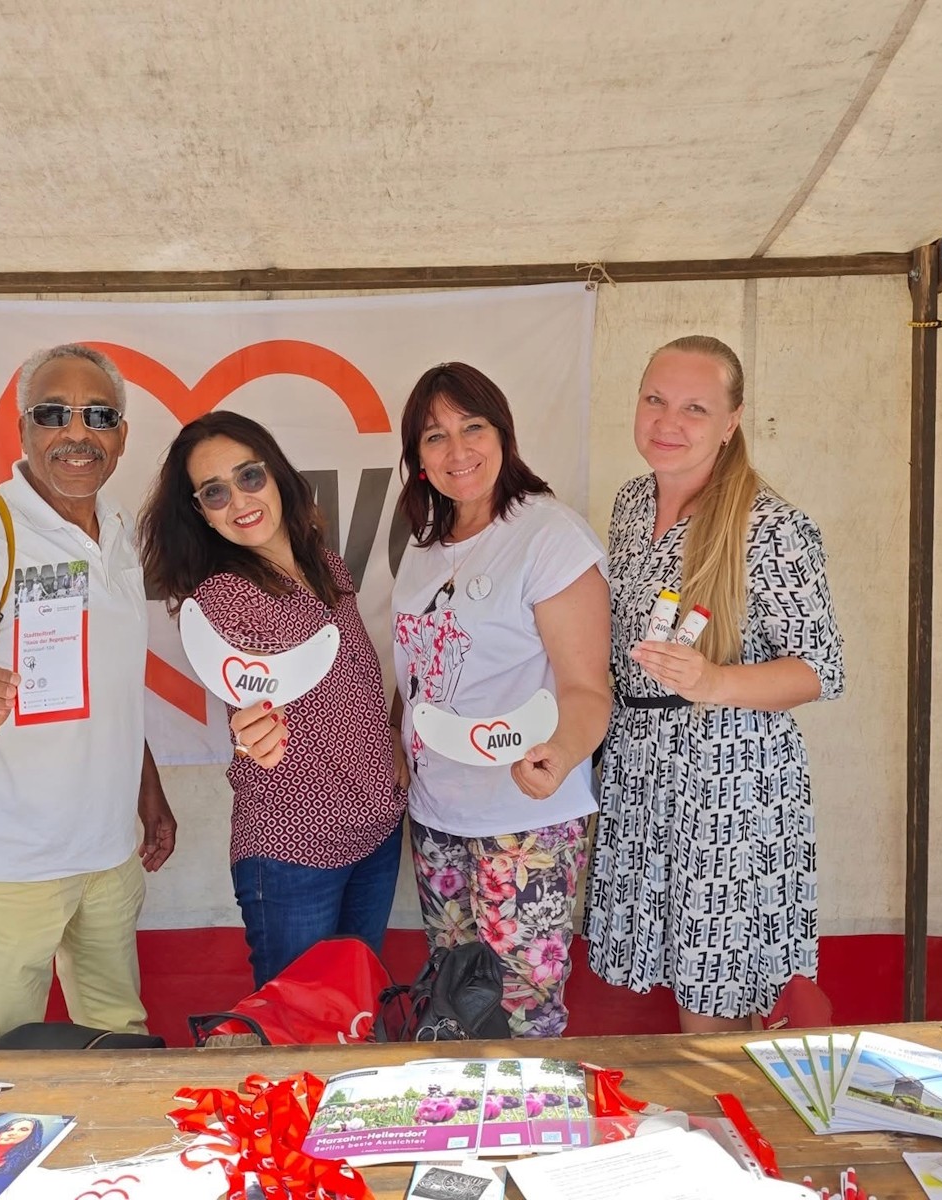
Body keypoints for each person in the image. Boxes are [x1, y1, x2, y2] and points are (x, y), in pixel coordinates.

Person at [0, 343, 176, 1038]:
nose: (77, 433)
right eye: (54, 414)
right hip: (10, 863)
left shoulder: (119, 528)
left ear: (122, 435)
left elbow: (114, 685)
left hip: (108, 852)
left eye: (99, 416)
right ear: (23, 429)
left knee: (119, 1037)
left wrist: (146, 790)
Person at [585, 335, 844, 1034]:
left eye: (694, 408)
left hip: (728, 782)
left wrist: (715, 680)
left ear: (732, 421)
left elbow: (821, 670)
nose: (668, 422)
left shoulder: (773, 527)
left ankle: (731, 1105)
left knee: (714, 1003)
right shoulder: (631, 503)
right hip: (642, 767)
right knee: (680, 981)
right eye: (655, 400)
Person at [140, 412, 405, 989]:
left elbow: (356, 683)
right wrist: (251, 734)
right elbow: (249, 699)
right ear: (201, 513)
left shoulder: (327, 566)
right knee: (296, 1022)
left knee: (358, 1005)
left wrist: (389, 742)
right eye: (214, 492)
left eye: (249, 476)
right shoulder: (222, 598)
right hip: (294, 848)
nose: (239, 500)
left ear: (277, 474)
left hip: (377, 831)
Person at [391, 362, 611, 1038]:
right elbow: (419, 670)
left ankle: (529, 1114)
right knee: (454, 1007)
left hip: (524, 820)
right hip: (437, 815)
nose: (457, 450)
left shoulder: (548, 536)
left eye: (473, 427)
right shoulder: (425, 548)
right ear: (417, 457)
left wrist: (561, 754)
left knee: (521, 1013)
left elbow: (588, 688)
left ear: (504, 436)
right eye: (435, 436)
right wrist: (398, 747)